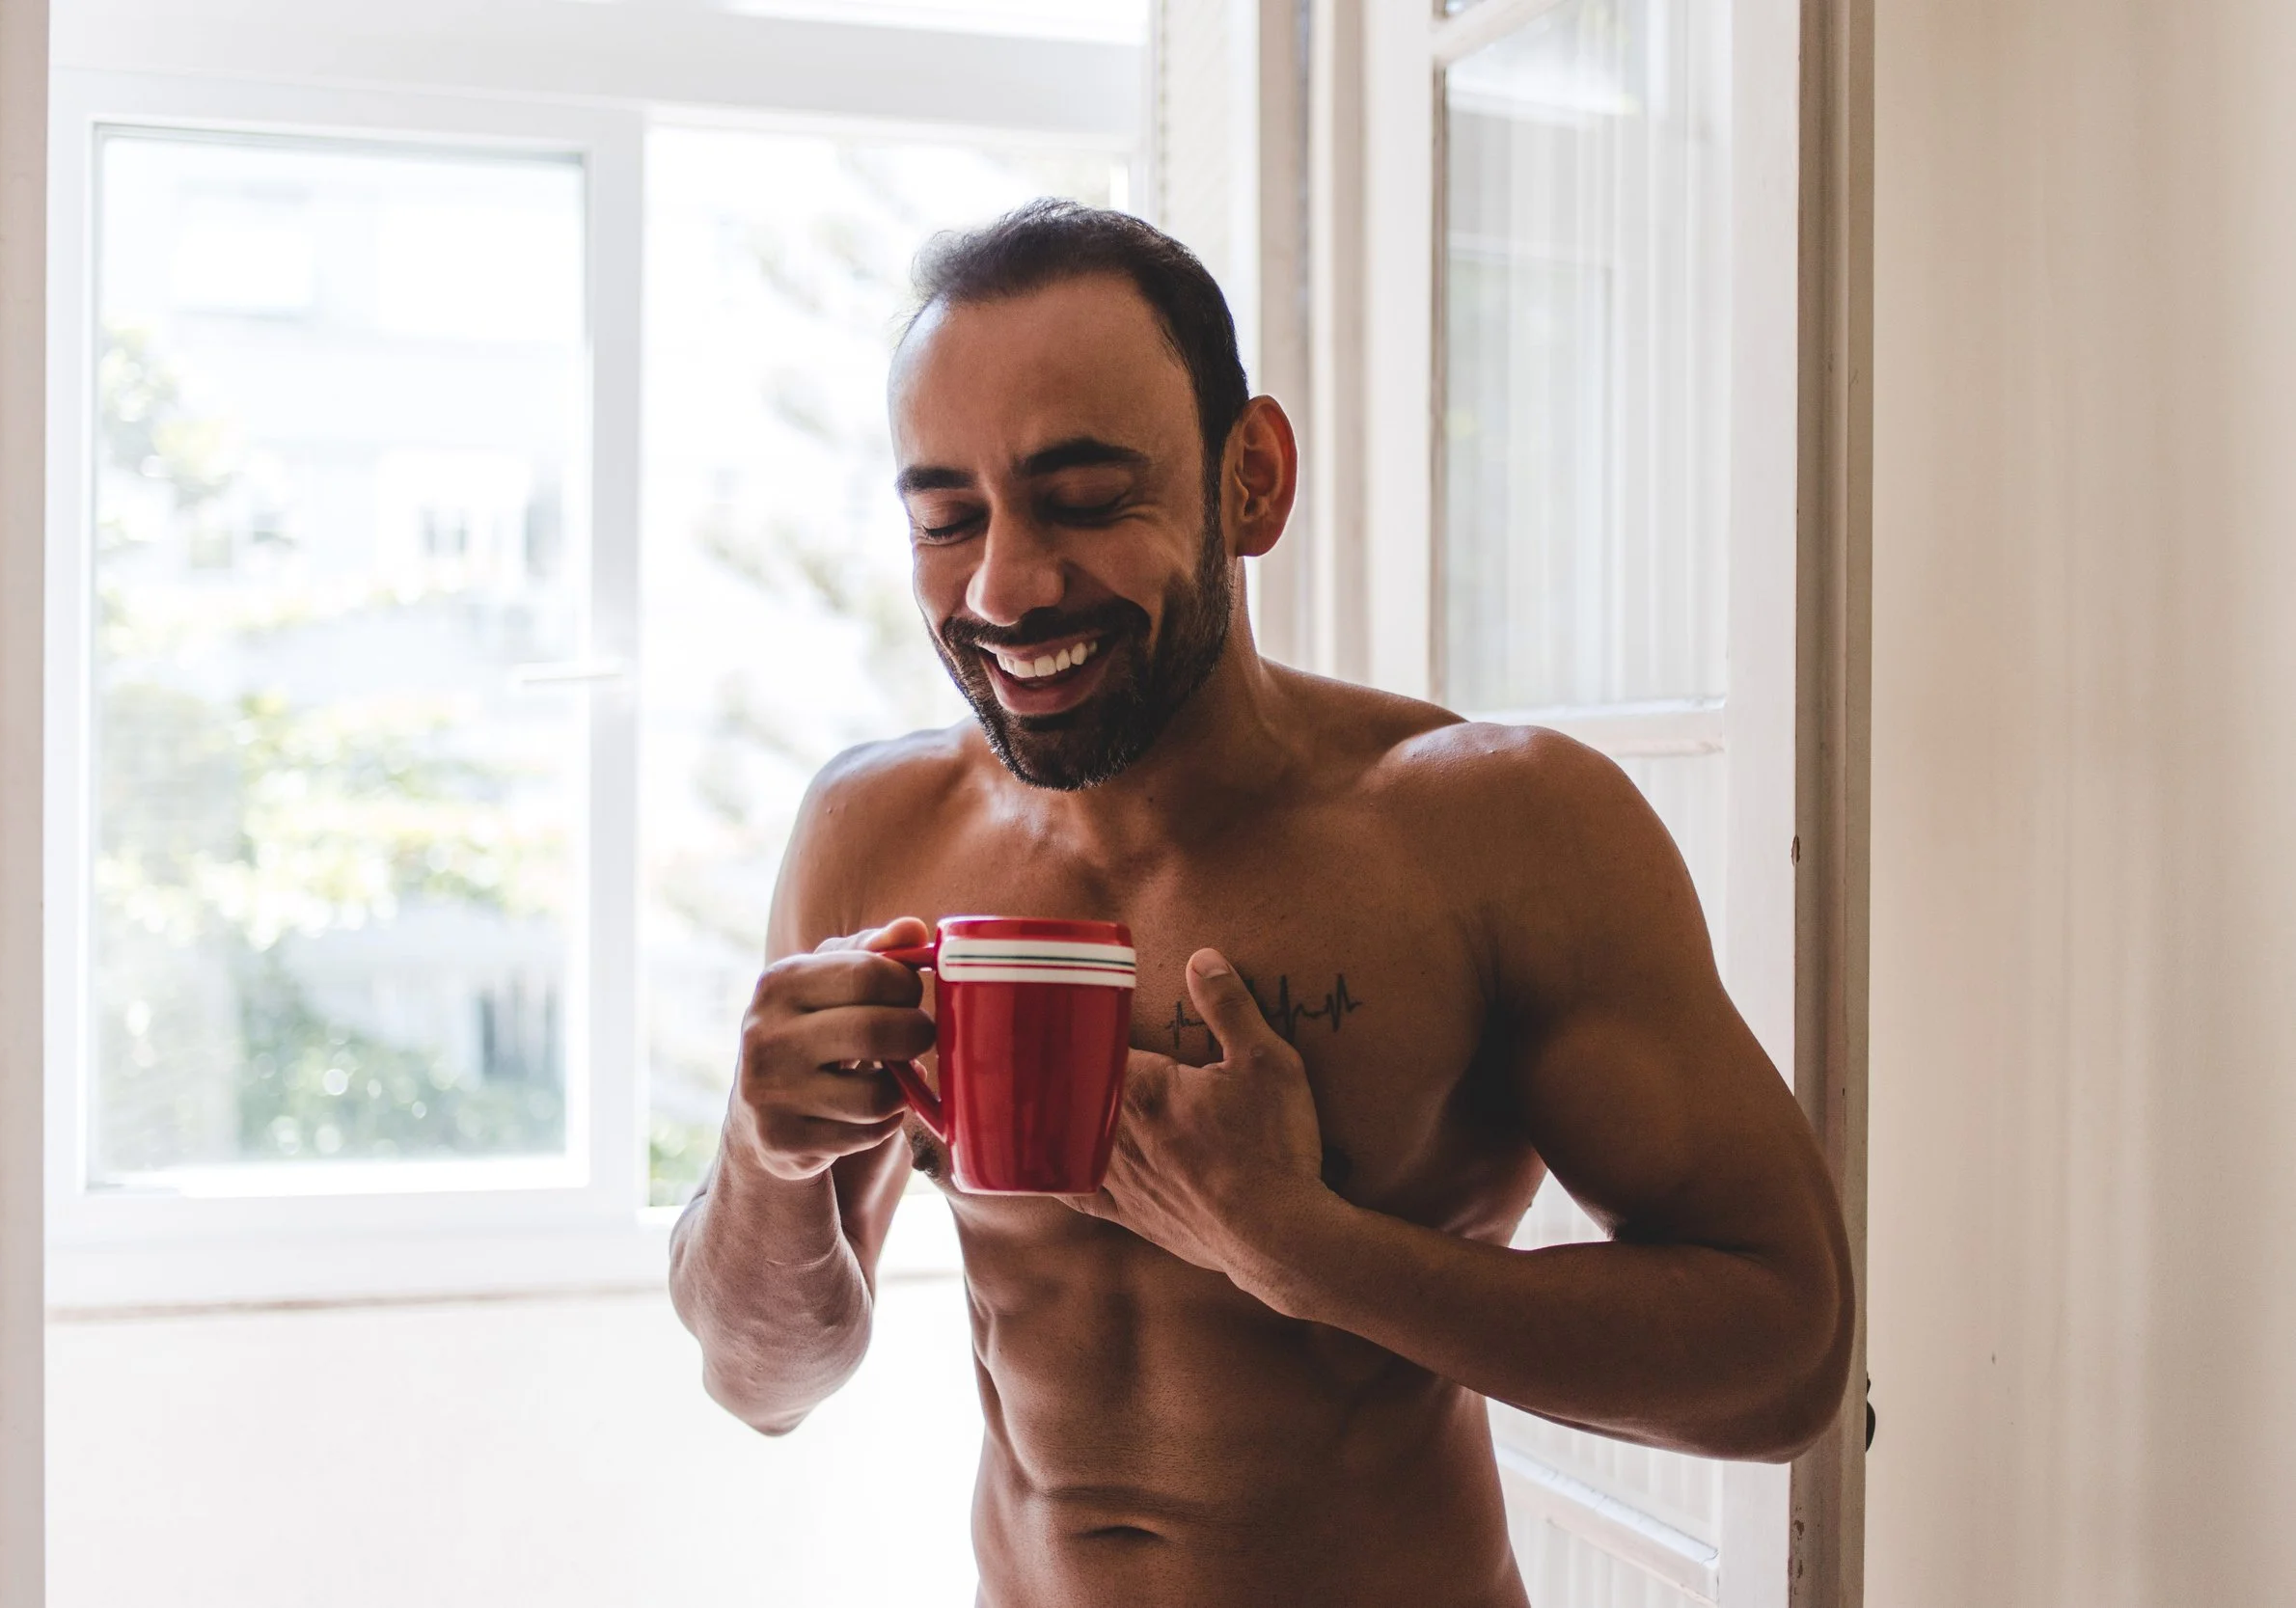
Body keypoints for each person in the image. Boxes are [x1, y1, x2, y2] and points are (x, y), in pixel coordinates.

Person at [670, 201, 1854, 1608]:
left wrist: (1309, 1252)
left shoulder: (1495, 829)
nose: (1005, 584)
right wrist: (764, 1152)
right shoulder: (874, 836)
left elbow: (1783, 1357)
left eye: (1087, 497)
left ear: (1253, 480)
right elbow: (765, 1379)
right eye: (947, 517)